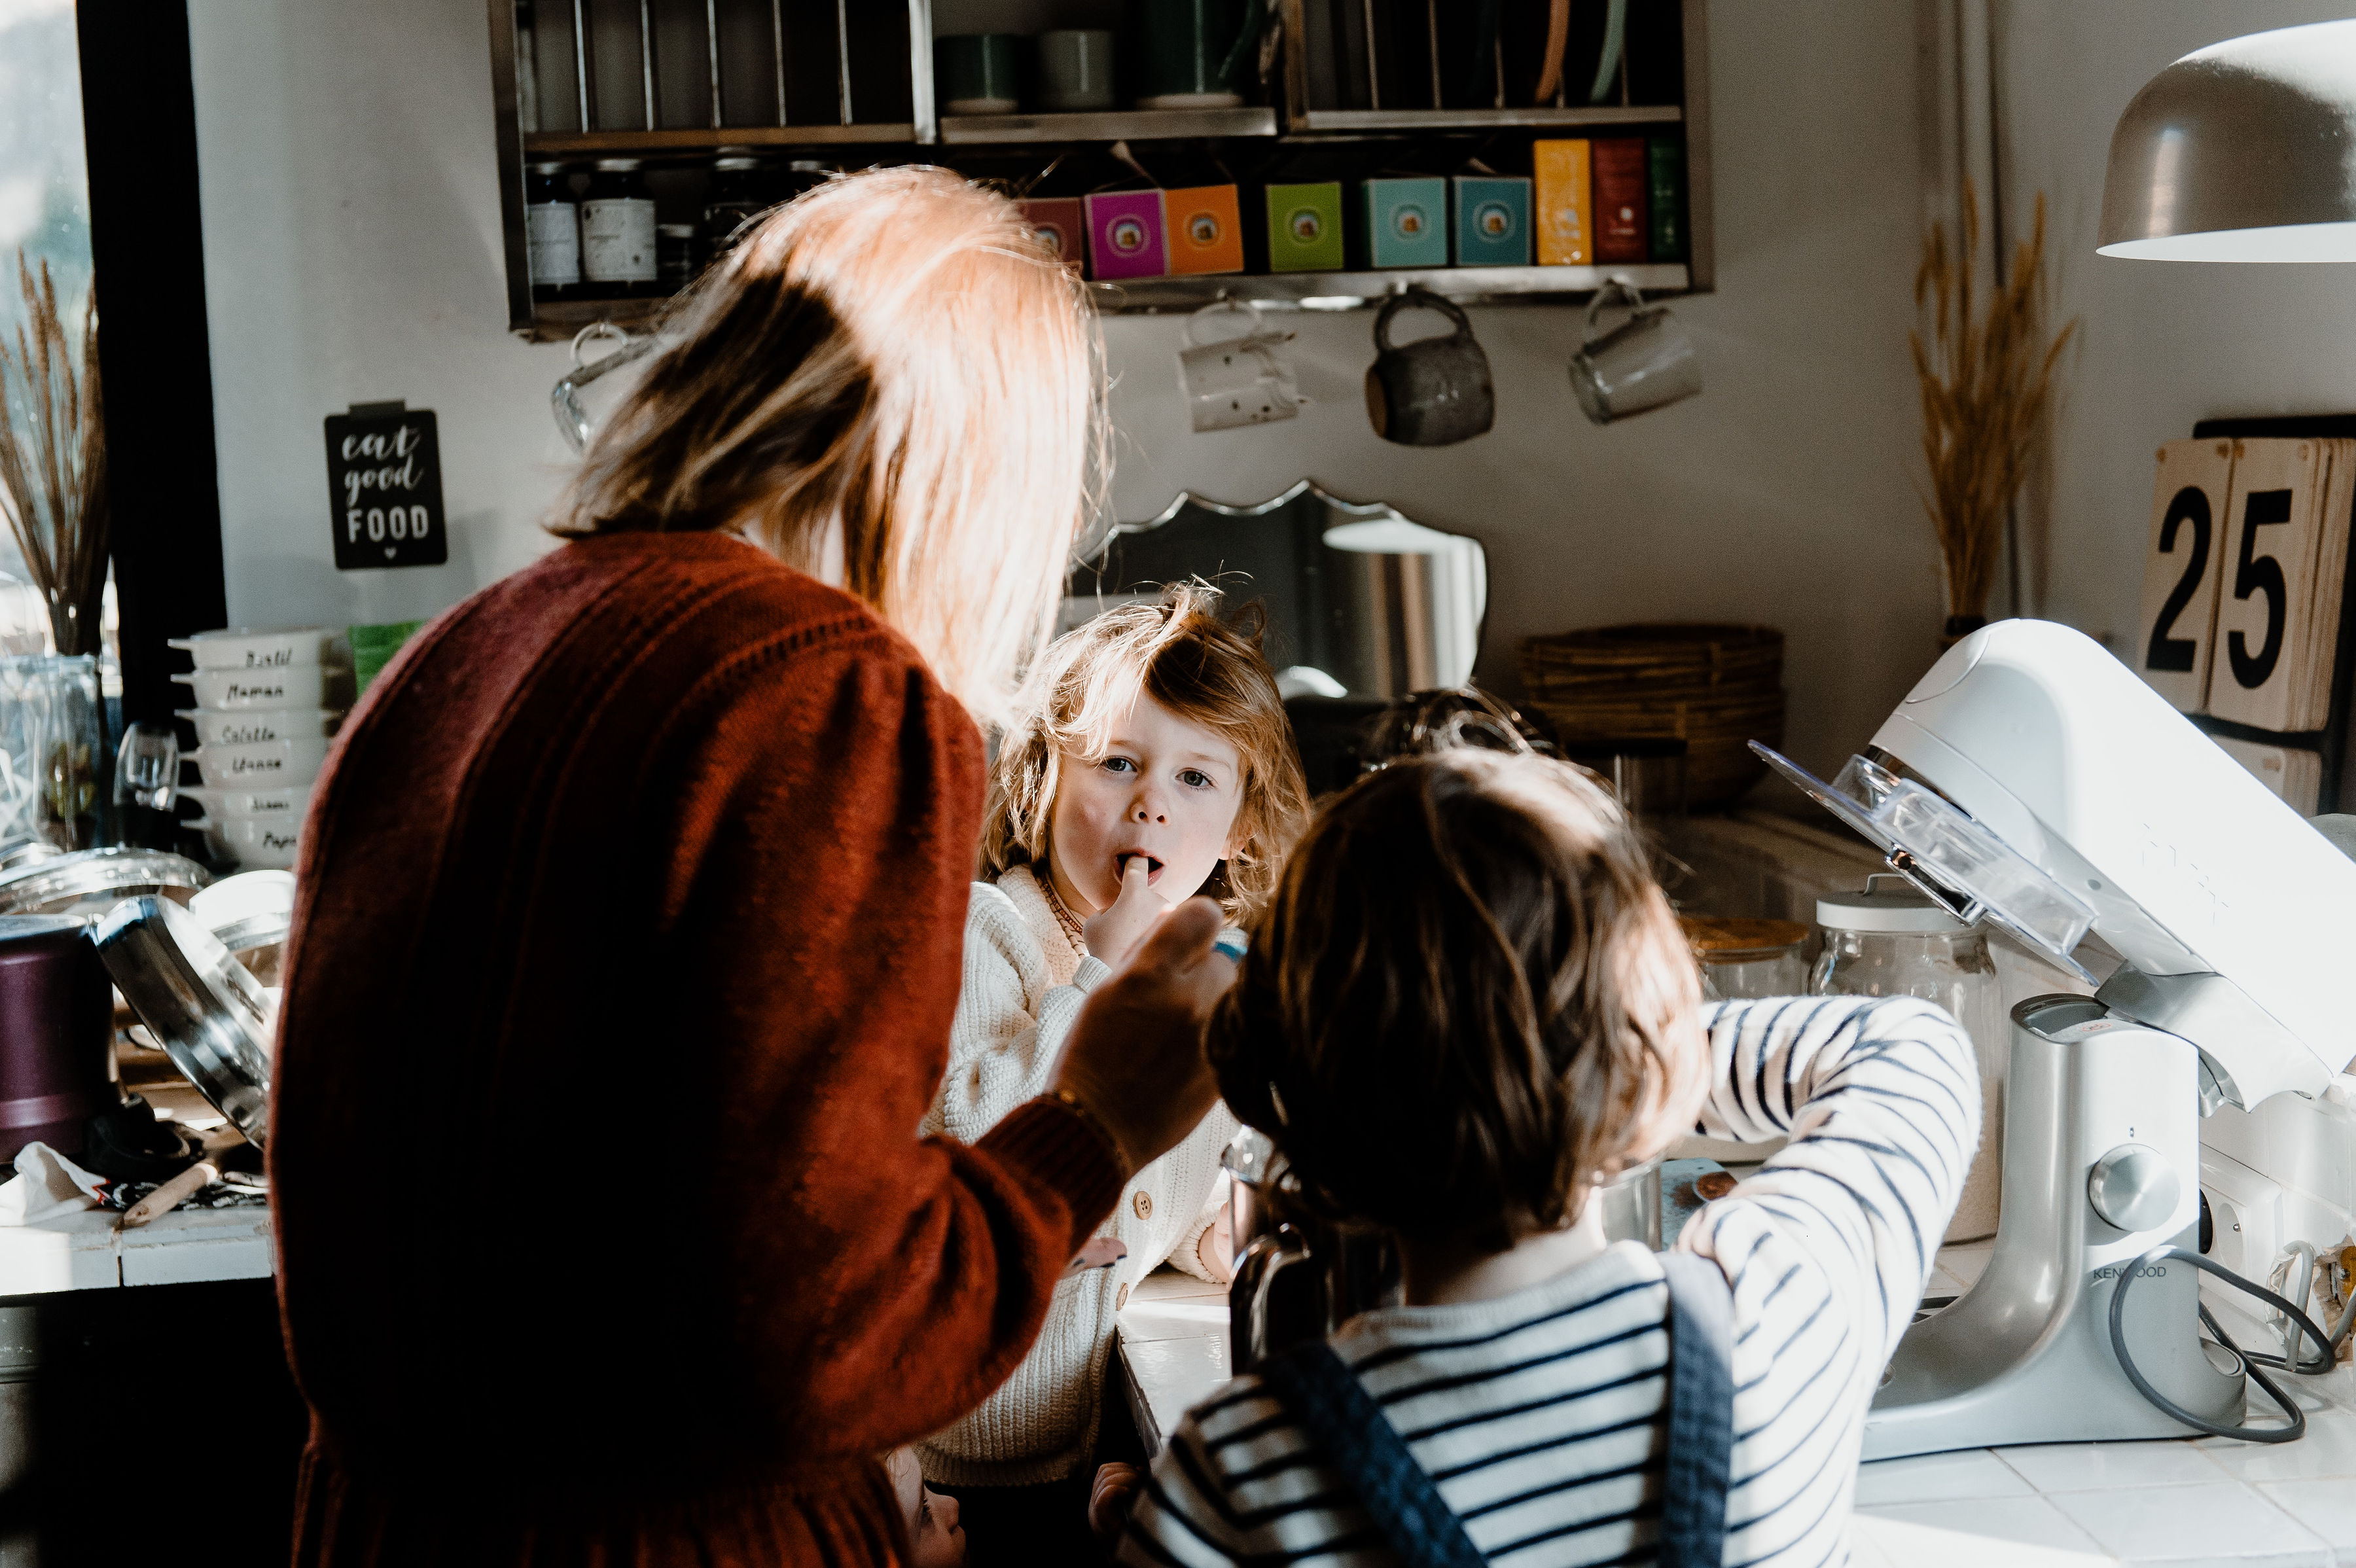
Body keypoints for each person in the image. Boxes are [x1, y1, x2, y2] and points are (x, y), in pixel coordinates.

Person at [270, 167, 1230, 1566]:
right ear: (971, 473)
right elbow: (829, 1335)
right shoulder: (829, 691)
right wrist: (1099, 1116)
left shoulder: (457, 653)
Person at [1116, 749, 1980, 1567]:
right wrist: (1593, 1051)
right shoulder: (1780, 1317)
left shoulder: (1239, 1477)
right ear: (1640, 1050)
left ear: (1295, 1092)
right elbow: (1914, 1051)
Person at [919, 584, 1310, 1561]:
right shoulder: (989, 934)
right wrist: (1095, 978)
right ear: (1041, 781)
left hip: (1093, 1443)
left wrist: (1221, 1239)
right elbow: (976, 1142)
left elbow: (1160, 1199)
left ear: (1241, 831)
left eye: (1195, 781)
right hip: (960, 1466)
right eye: (1120, 764)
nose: (1150, 803)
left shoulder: (1209, 981)